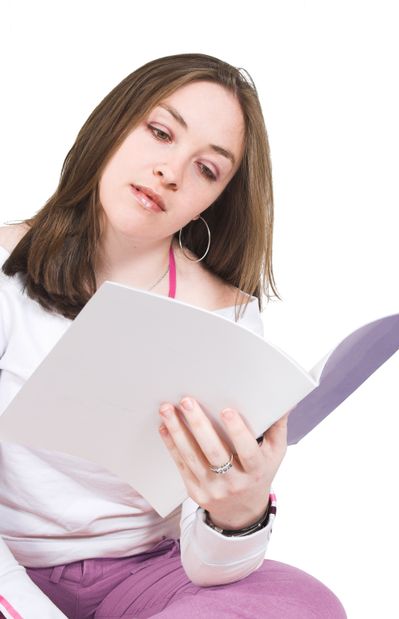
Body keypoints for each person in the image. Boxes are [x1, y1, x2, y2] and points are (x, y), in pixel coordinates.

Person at [0, 53, 347, 618]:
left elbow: (209, 570)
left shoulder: (224, 314)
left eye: (207, 169)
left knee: (304, 605)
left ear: (213, 200)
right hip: (9, 568)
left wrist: (238, 514)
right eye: (160, 133)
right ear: (113, 125)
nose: (171, 172)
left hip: (145, 578)